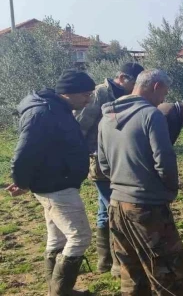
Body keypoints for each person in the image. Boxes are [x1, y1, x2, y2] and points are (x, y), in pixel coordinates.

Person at [98, 69, 183, 295]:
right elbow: (165, 161)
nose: (163, 100)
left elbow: (103, 166)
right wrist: (170, 189)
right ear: (155, 87)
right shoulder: (152, 116)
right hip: (147, 208)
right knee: (169, 272)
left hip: (116, 206)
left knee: (131, 272)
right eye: (164, 93)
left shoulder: (106, 118)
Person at [8, 69, 95, 295]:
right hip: (57, 186)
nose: (89, 99)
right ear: (69, 93)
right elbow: (24, 152)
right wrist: (21, 182)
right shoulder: (44, 113)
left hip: (56, 182)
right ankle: (60, 293)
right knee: (80, 236)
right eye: (86, 94)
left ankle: (56, 290)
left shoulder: (58, 109)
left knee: (58, 236)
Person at [74, 62, 144, 274]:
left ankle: (105, 261)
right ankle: (116, 262)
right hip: (100, 162)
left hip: (115, 160)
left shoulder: (121, 95)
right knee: (114, 208)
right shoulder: (99, 94)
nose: (135, 88)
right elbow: (80, 126)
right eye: (134, 83)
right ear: (122, 78)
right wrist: (87, 156)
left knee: (105, 210)